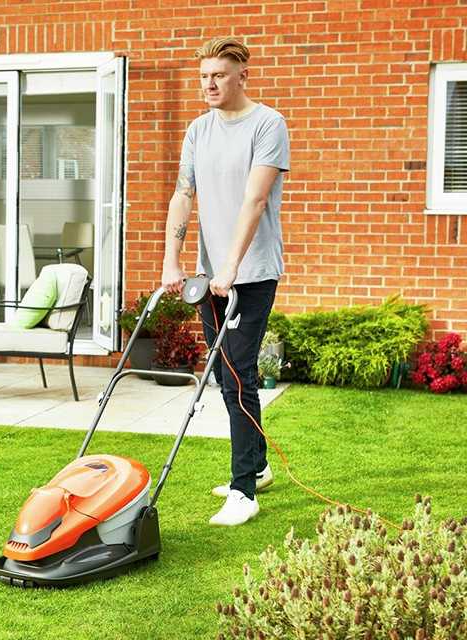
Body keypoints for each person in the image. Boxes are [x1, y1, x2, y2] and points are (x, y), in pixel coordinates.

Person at [161, 36, 290, 526]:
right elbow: (182, 195)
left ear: (242, 76)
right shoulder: (198, 130)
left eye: (218, 75)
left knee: (238, 372)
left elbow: (255, 201)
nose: (209, 85)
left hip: (251, 274)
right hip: (209, 275)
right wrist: (172, 261)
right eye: (203, 77)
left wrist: (232, 267)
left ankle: (244, 491)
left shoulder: (267, 124)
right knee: (223, 373)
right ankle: (256, 468)